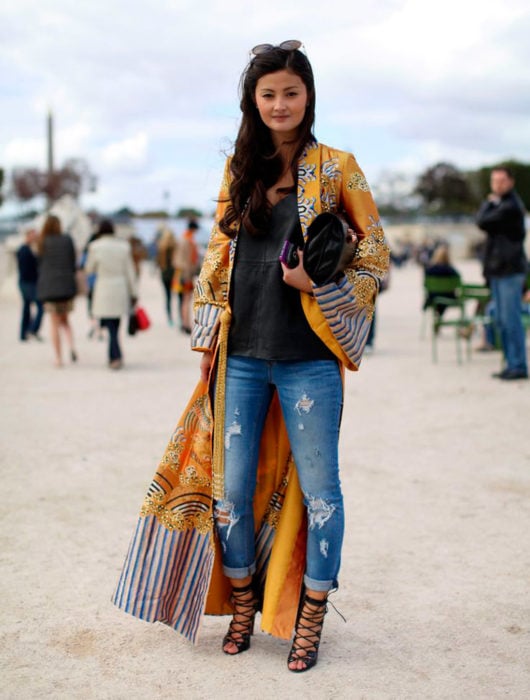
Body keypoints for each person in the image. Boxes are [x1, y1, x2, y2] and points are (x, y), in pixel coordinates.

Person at [112, 41, 389, 672]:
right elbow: (215, 260)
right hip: (240, 358)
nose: (280, 104)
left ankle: (310, 612)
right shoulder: (241, 169)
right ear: (253, 101)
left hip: (309, 359)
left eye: (290, 92)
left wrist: (319, 285)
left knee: (322, 494)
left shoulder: (339, 167)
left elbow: (375, 256)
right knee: (228, 496)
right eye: (268, 94)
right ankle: (242, 600)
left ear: (308, 96)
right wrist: (206, 345)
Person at [476, 167, 528, 380]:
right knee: (502, 320)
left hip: (509, 271)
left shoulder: (511, 206)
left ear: (511, 182)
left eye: (501, 180)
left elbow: (481, 221)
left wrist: (489, 202)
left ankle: (518, 365)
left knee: (510, 319)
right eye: (494, 180)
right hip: (499, 271)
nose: (497, 185)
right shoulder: (502, 205)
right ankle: (511, 363)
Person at [85, 219, 137, 370]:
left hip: (103, 288)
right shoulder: (123, 246)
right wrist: (134, 292)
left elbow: (89, 268)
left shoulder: (95, 247)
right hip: (120, 287)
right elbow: (130, 272)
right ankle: (116, 355)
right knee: (116, 323)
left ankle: (114, 356)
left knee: (110, 325)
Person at [36, 214, 78, 367]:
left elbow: (39, 264)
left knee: (54, 323)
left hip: (49, 288)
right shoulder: (67, 240)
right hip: (66, 286)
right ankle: (72, 346)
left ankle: (59, 358)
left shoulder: (42, 242)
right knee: (65, 321)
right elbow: (73, 262)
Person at [16, 228, 43, 342]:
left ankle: (24, 333)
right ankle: (32, 329)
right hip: (28, 283)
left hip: (27, 282)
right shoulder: (24, 250)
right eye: (33, 235)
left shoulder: (27, 249)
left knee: (27, 308)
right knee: (40, 307)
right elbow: (28, 269)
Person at [423, 243, 461, 318]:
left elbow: (425, 285)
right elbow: (458, 282)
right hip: (449, 297)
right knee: (445, 295)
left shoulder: (429, 270)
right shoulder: (451, 270)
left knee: (437, 297)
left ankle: (438, 317)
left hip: (433, 297)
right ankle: (439, 316)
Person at [175, 220, 200, 333]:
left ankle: (184, 322)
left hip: (180, 273)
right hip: (186, 274)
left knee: (183, 300)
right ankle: (186, 324)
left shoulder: (182, 238)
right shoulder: (189, 241)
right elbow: (189, 261)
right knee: (186, 299)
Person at [155, 226, 178, 325]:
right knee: (178, 297)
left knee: (167, 296)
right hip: (175, 274)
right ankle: (180, 317)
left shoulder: (161, 248)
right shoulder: (176, 247)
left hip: (165, 274)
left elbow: (158, 262)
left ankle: (170, 318)